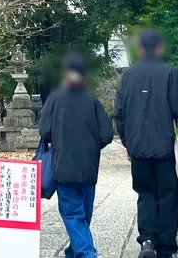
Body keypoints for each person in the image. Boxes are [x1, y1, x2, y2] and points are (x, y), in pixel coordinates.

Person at [115, 30, 178, 258]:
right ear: (159, 48)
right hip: (165, 147)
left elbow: (119, 114)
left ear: (139, 50)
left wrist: (128, 143)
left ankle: (147, 240)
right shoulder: (169, 73)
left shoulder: (128, 76)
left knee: (145, 193)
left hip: (138, 147)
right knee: (168, 194)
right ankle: (166, 246)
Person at [39, 52, 115, 258]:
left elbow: (44, 131)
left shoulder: (55, 98)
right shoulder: (92, 100)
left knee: (73, 214)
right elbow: (107, 134)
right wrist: (91, 146)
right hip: (88, 168)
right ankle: (73, 251)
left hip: (63, 166)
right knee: (83, 214)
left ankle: (86, 254)